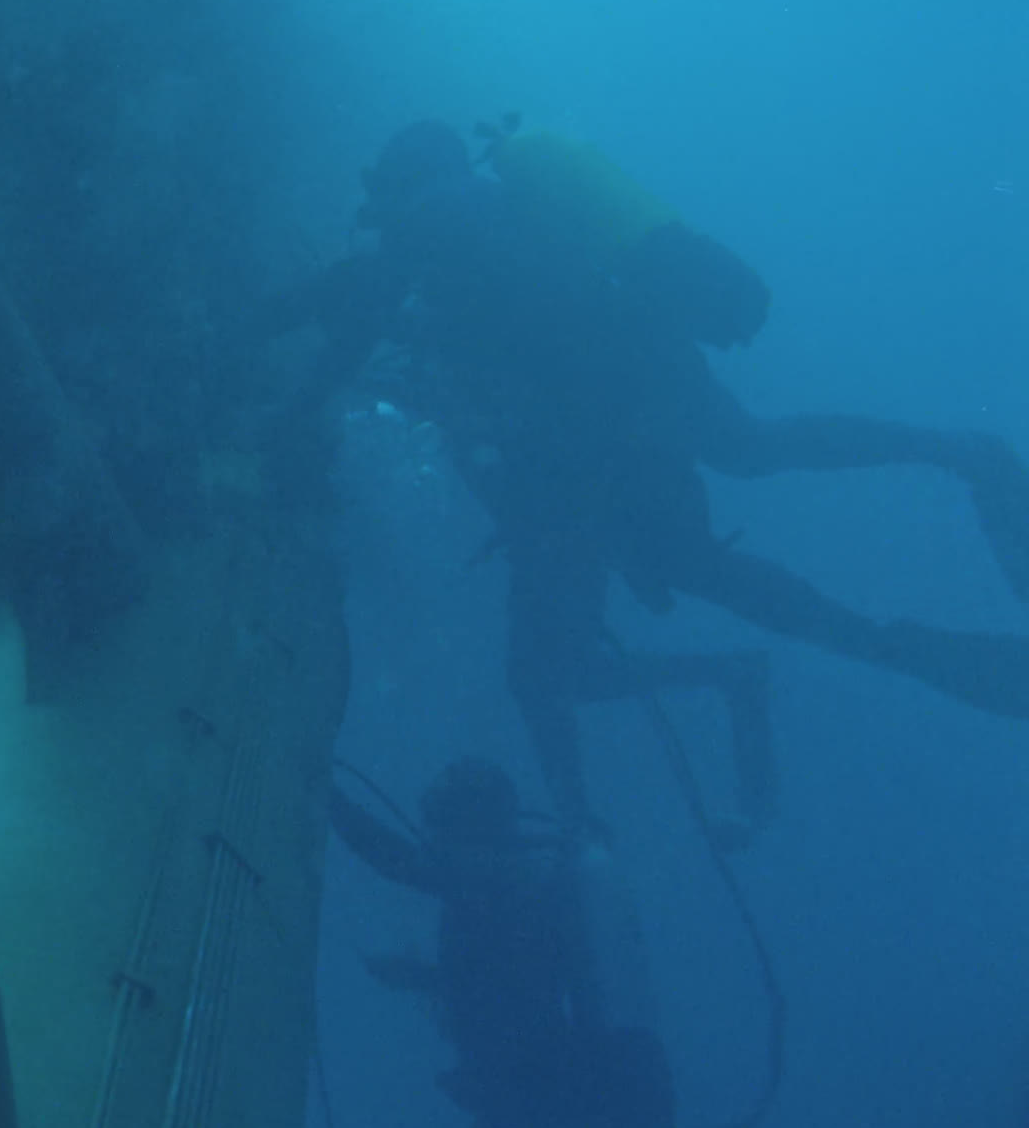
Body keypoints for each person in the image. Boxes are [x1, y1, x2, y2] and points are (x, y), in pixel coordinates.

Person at [262, 116, 1029, 831]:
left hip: (605, 415)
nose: (375, 207)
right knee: (738, 474)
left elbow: (357, 316)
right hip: (621, 400)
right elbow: (396, 314)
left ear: (404, 176)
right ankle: (933, 532)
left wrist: (293, 405)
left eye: (381, 188)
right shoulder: (484, 219)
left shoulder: (438, 214)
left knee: (565, 653)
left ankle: (582, 828)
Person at [329, 757, 676, 1128]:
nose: (433, 837)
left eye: (441, 822)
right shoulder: (518, 881)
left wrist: (327, 797)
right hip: (543, 1094)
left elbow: (397, 861)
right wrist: (420, 977)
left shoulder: (497, 877)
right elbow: (505, 978)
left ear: (471, 823)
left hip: (532, 1096)